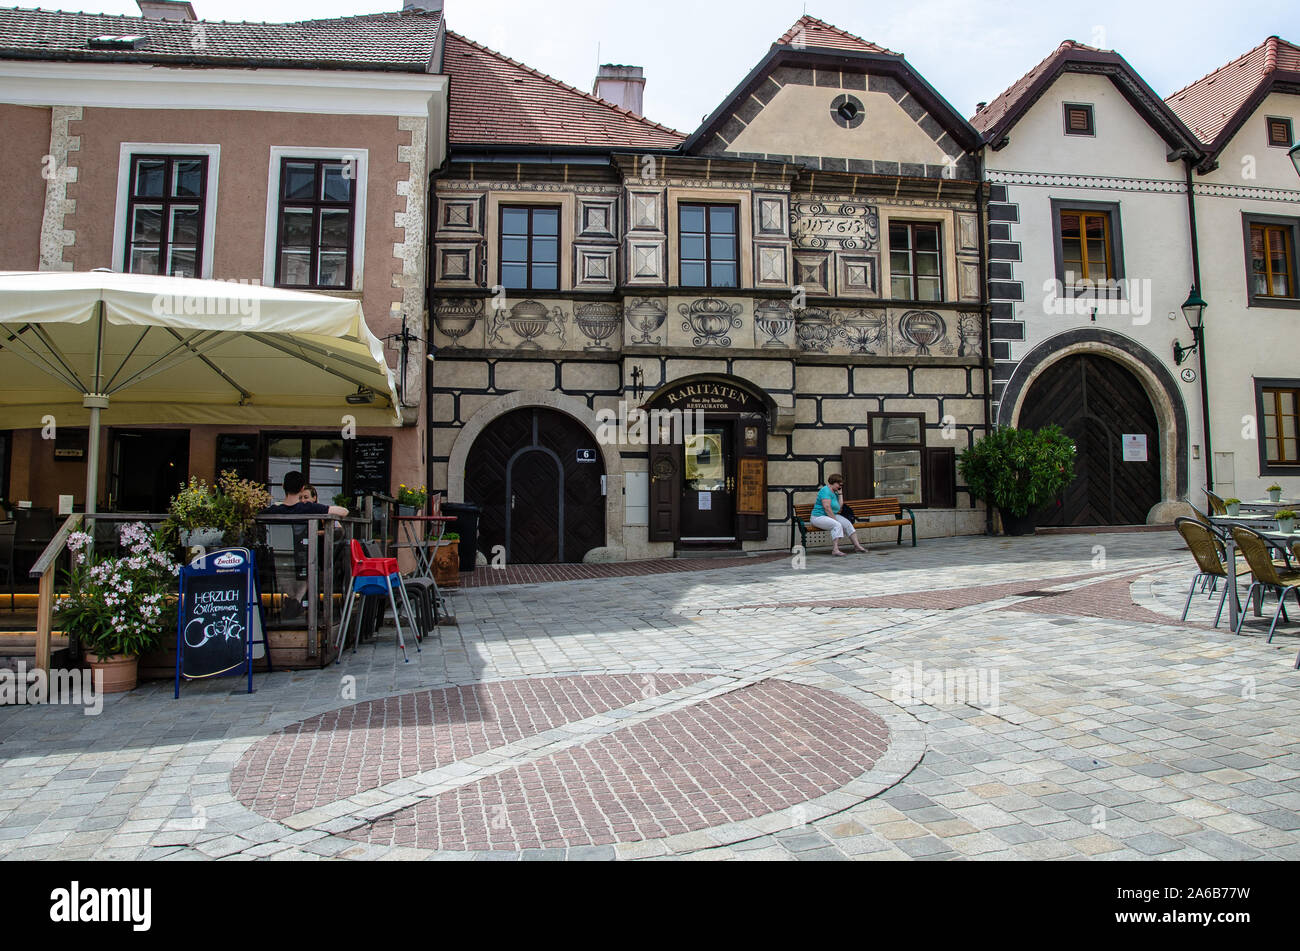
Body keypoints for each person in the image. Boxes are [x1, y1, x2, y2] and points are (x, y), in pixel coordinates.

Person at [263, 472, 348, 620]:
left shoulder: (273, 511)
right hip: (304, 556)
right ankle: (297, 600)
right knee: (310, 567)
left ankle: (293, 600)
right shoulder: (308, 508)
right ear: (302, 488)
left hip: (278, 558)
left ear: (283, 486)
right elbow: (344, 512)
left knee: (284, 570)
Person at [809, 473, 867, 556]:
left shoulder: (835, 492)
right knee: (837, 525)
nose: (840, 487)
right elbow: (827, 507)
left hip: (830, 515)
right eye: (839, 485)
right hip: (818, 517)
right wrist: (835, 520)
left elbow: (839, 507)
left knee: (847, 524)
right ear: (834, 482)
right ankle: (835, 550)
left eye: (841, 485)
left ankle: (857, 546)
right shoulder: (825, 491)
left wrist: (840, 494)